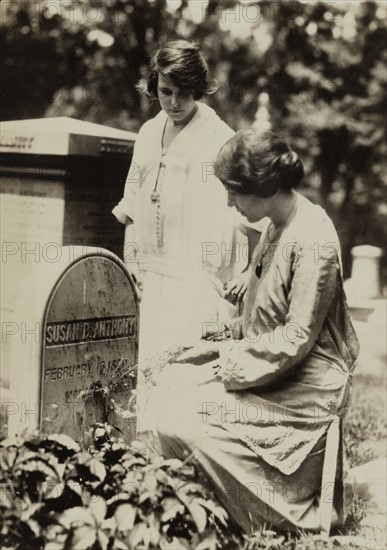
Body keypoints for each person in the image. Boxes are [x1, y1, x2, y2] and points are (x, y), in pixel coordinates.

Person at [155, 129, 360, 532]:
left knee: (180, 419)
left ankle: (285, 511)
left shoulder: (313, 240)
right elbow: (264, 317)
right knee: (169, 391)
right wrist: (215, 342)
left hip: (305, 389)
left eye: (235, 193)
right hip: (272, 369)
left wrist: (223, 363)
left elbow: (295, 338)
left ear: (263, 187)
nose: (230, 203)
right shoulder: (277, 225)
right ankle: (202, 504)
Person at [112, 40, 252, 430]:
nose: (173, 103)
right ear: (154, 86)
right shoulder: (147, 131)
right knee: (149, 368)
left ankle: (187, 459)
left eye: (184, 94)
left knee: (186, 370)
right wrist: (131, 258)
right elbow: (133, 199)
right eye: (165, 92)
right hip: (152, 271)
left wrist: (246, 269)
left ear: (200, 90)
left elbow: (246, 211)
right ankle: (150, 460)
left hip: (197, 274)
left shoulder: (220, 138)